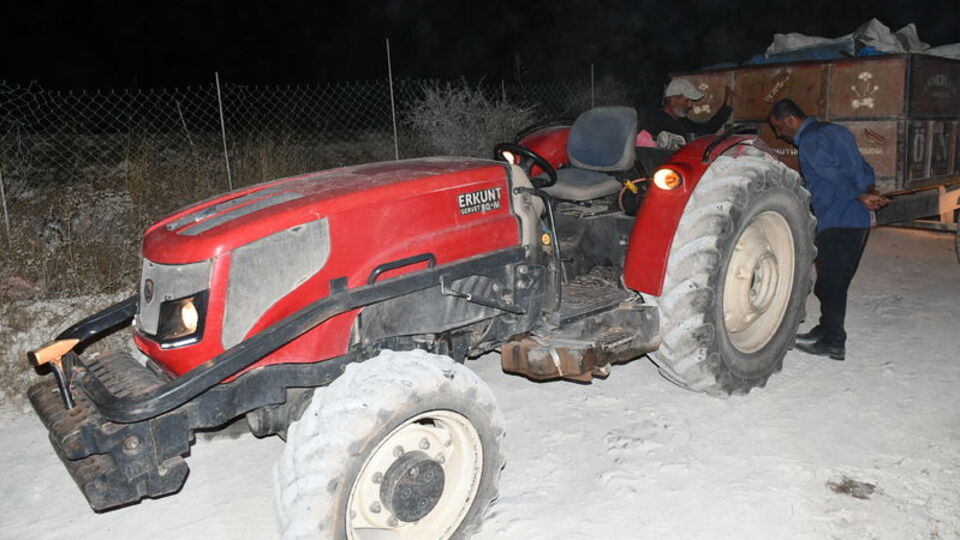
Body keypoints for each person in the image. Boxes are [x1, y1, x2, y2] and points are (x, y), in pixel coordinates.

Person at [767, 99, 889, 360]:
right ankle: (825, 329)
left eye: (778, 127)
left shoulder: (810, 139)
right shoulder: (836, 131)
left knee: (831, 284)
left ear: (790, 120)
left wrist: (858, 195)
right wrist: (867, 191)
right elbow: (864, 166)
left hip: (838, 218)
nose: (779, 134)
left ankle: (833, 342)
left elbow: (830, 173)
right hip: (858, 220)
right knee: (834, 280)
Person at [643, 78, 733, 144]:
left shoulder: (683, 122)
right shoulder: (654, 122)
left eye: (691, 101)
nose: (690, 105)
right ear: (673, 100)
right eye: (687, 100)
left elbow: (708, 129)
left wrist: (727, 105)